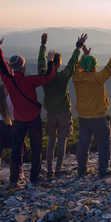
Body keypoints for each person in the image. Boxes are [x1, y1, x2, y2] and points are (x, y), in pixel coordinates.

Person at [0, 32, 56, 186]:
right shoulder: (30, 80)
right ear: (24, 66)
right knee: (36, 149)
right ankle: (34, 178)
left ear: (13, 68)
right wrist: (50, 61)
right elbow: (49, 76)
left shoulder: (8, 81)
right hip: (33, 118)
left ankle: (14, 180)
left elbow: (1, 66)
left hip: (19, 120)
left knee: (16, 149)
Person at [38, 32, 87, 179]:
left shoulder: (43, 75)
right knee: (62, 140)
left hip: (50, 112)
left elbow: (41, 61)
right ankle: (58, 168)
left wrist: (43, 44)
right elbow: (72, 64)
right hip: (64, 112)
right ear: (58, 64)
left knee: (51, 141)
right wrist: (78, 48)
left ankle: (49, 169)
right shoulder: (62, 77)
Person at [73, 36, 111, 177]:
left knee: (83, 144)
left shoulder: (76, 78)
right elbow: (110, 67)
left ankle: (81, 170)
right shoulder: (97, 78)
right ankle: (103, 170)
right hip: (99, 117)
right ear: (94, 66)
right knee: (103, 144)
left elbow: (77, 67)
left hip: (83, 117)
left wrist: (84, 55)